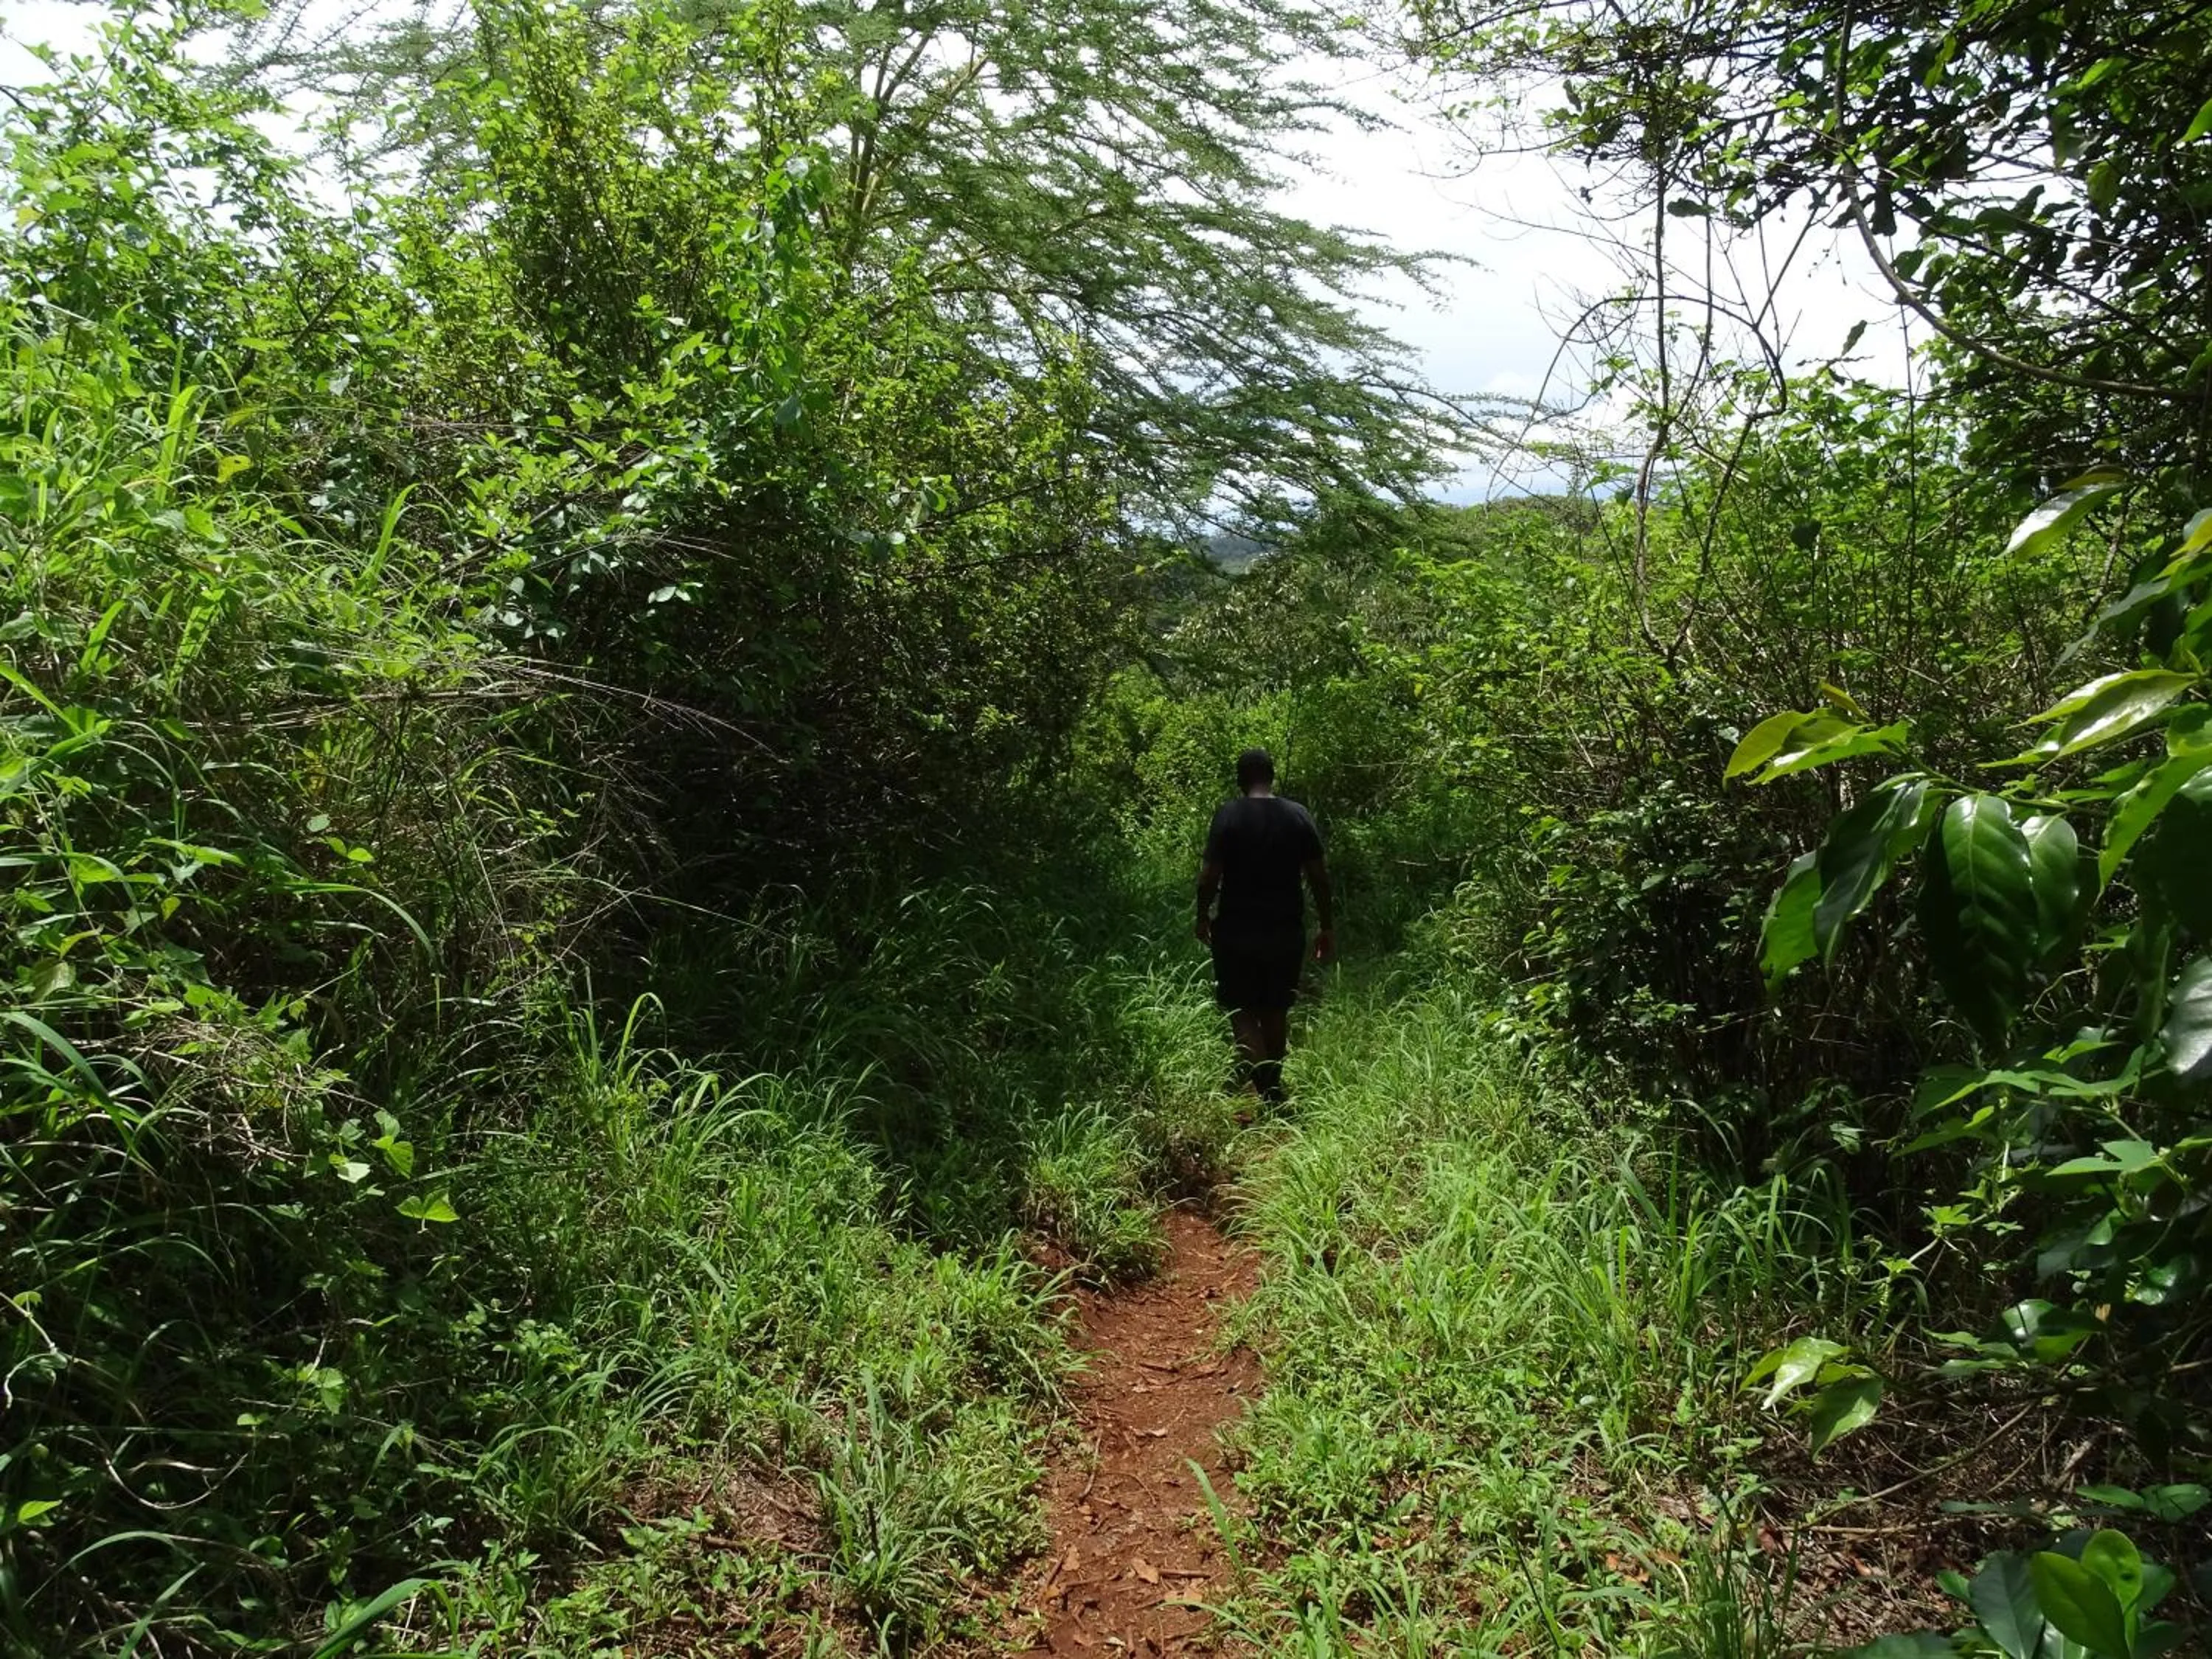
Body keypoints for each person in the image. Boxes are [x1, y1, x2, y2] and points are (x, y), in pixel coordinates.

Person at [1194, 748, 1334, 1107]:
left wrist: (1201, 915)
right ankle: (1273, 1089)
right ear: (1271, 777)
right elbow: (1319, 878)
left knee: (1240, 1009)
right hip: (1285, 931)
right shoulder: (1298, 816)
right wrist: (1326, 926)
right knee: (1275, 1010)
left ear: (1241, 780)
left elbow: (1210, 876)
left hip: (1236, 932)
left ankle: (1266, 1086)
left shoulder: (1228, 815)